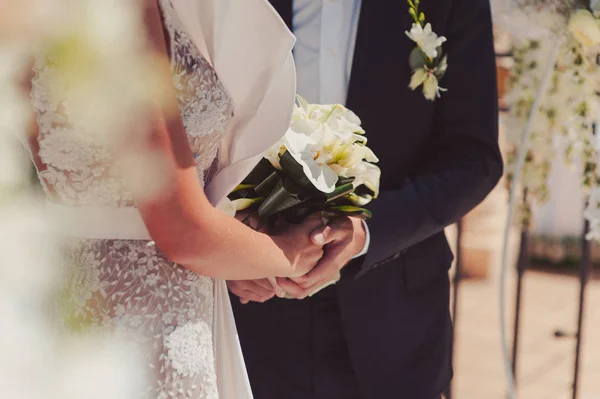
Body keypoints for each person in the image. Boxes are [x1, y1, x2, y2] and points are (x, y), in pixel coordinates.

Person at [24, 0, 318, 397]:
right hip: (150, 330)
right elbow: (182, 229)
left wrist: (236, 255)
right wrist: (291, 255)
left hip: (76, 315)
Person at [229, 0, 503, 398]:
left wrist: (367, 233)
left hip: (394, 319)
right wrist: (229, 240)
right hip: (248, 312)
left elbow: (474, 159)